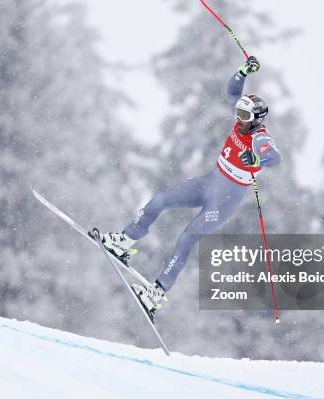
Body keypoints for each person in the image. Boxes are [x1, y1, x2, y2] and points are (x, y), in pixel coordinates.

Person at [102, 56, 281, 317]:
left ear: (256, 119)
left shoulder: (259, 137)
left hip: (225, 199)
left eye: (245, 115)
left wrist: (256, 158)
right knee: (161, 200)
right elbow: (232, 91)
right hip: (210, 181)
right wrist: (243, 71)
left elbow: (275, 158)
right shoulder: (240, 122)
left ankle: (157, 292)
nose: (239, 119)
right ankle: (125, 240)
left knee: (187, 237)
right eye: (238, 113)